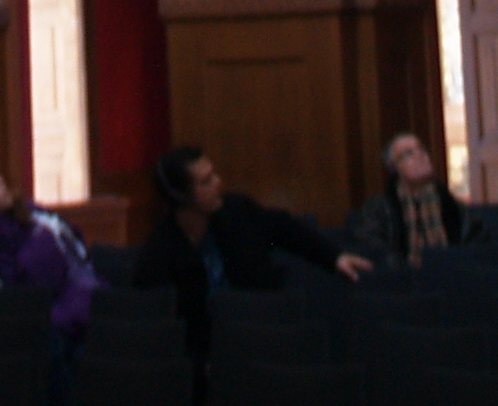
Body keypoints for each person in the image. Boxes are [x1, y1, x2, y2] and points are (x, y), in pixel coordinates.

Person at [135, 146, 368, 359]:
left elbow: (285, 229)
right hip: (203, 355)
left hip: (262, 333)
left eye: (214, 175)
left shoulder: (238, 212)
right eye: (206, 181)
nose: (218, 183)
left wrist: (334, 256)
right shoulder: (159, 255)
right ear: (182, 196)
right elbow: (164, 328)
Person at [0, 163, 95, 335]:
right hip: (51, 326)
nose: (0, 180)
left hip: (81, 294)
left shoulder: (29, 213)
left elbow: (75, 245)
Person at [343, 130, 485, 266]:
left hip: (452, 275)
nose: (420, 156)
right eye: (408, 154)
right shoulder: (379, 208)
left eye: (421, 149)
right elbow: (373, 251)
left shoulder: (453, 205)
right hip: (401, 278)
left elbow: (477, 243)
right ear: (394, 168)